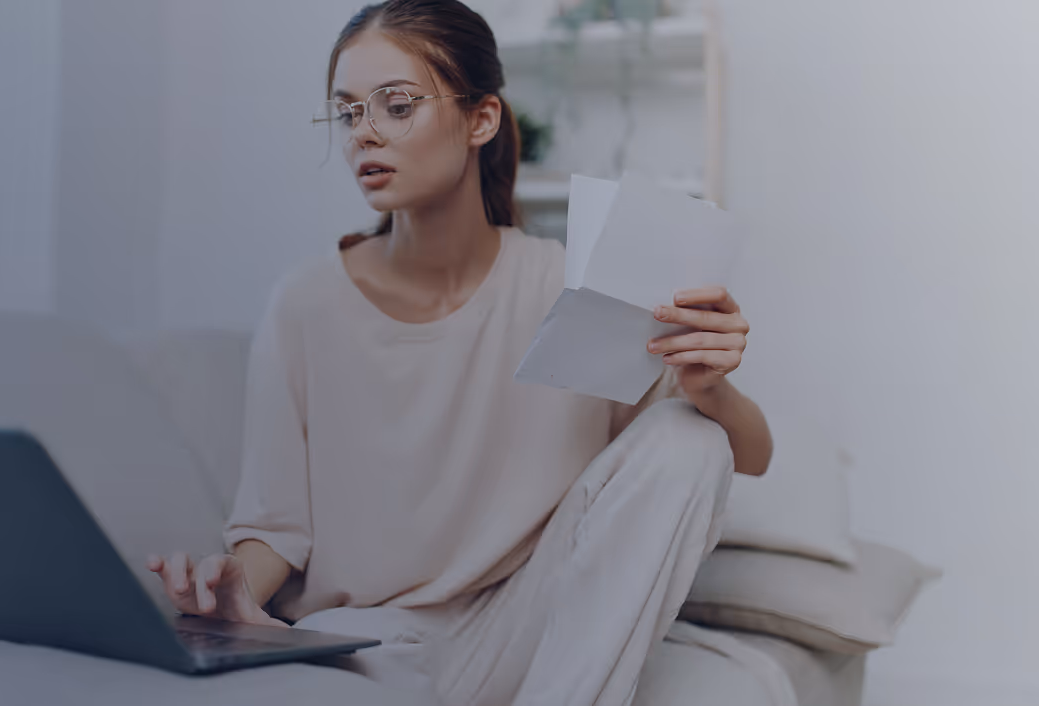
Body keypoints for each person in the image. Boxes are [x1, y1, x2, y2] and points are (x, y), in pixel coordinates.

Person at [146, 1, 772, 704]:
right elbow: (275, 528)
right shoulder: (305, 304)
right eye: (349, 113)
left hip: (528, 624)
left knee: (688, 437)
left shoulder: (562, 285)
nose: (366, 134)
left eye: (397, 105)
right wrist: (230, 588)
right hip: (371, 644)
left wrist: (710, 385)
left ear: (482, 119)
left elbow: (740, 458)